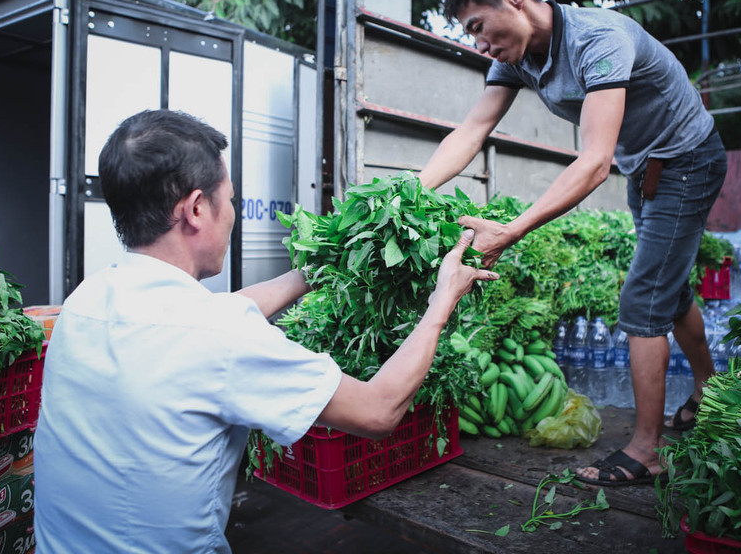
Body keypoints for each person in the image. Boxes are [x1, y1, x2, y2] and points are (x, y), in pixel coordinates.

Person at [33, 109, 497, 552]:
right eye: (230, 198)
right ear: (197, 208)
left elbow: (202, 322)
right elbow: (378, 412)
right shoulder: (219, 334)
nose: (232, 212)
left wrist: (311, 271)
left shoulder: (85, 301)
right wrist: (442, 301)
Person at [418, 0, 727, 486]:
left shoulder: (596, 38)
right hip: (648, 169)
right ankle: (710, 395)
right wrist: (406, 193)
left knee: (643, 300)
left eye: (479, 26)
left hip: (687, 159)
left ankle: (646, 450)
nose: (480, 44)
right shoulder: (515, 59)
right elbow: (472, 130)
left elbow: (593, 162)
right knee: (670, 292)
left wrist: (512, 232)